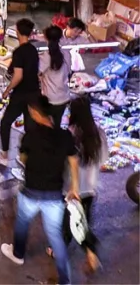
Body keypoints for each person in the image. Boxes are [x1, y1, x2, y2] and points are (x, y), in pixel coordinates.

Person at [1, 96, 80, 285]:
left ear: (35, 113)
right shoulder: (64, 136)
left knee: (22, 223)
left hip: (31, 192)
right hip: (54, 195)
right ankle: (65, 280)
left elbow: (23, 158)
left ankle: (18, 254)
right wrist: (74, 187)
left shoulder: (29, 136)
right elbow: (73, 160)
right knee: (55, 236)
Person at [57, 96, 107, 273]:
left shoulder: (70, 134)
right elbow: (103, 159)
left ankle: (90, 251)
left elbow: (65, 162)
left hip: (71, 188)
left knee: (68, 221)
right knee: (82, 221)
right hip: (90, 188)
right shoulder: (99, 133)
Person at [0, 18, 41, 165]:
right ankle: (27, 157)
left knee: (6, 122)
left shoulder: (19, 52)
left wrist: (7, 90)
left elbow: (18, 76)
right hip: (34, 93)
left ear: (17, 32)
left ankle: (4, 155)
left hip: (21, 94)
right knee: (30, 127)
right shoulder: (34, 50)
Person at [40, 26, 71, 126]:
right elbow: (69, 71)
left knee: (47, 126)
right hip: (64, 97)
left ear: (46, 38)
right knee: (56, 124)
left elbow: (37, 72)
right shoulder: (66, 54)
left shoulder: (46, 56)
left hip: (50, 99)